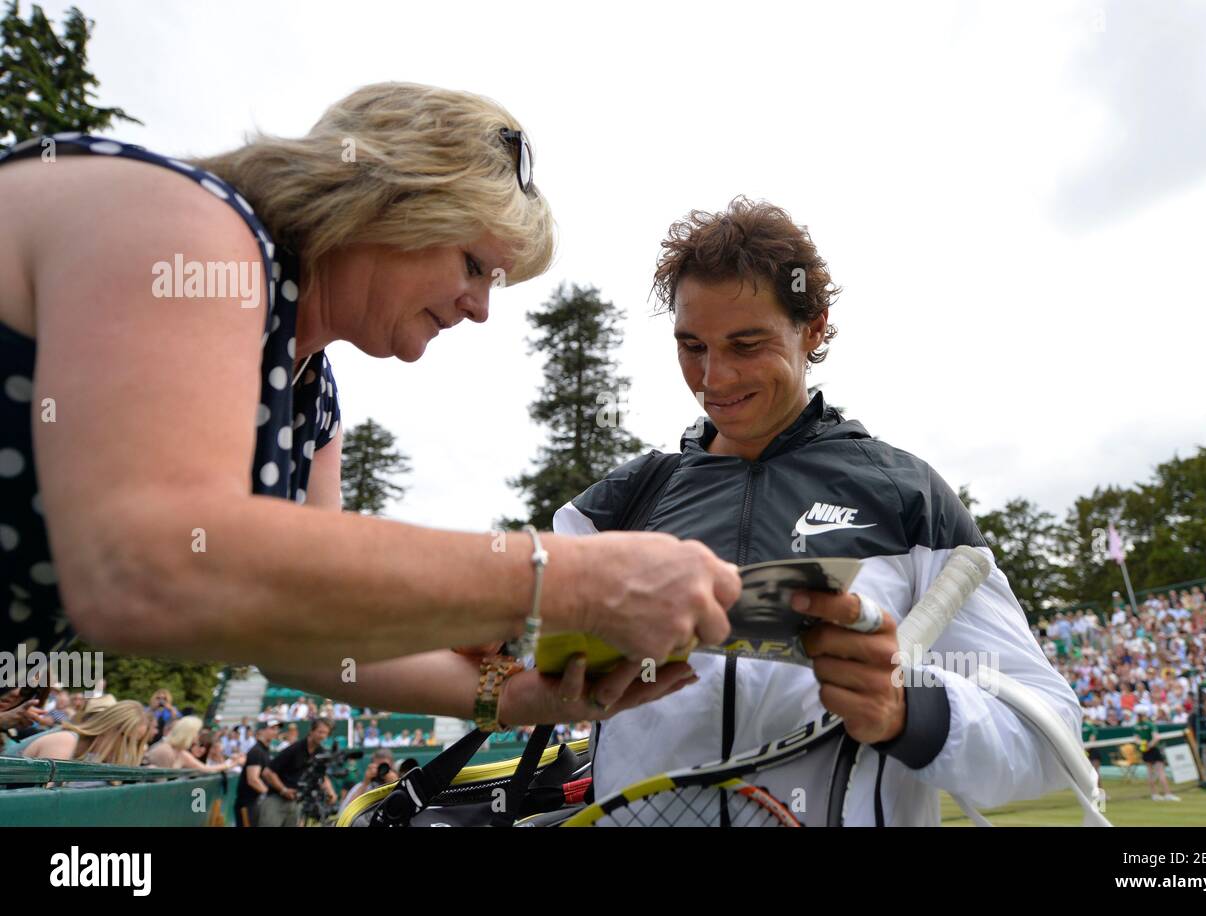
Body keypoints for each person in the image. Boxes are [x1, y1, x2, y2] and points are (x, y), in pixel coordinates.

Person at [0, 82, 740, 726]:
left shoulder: (313, 400)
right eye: (475, 264)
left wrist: (507, 698)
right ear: (387, 196)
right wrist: (567, 580)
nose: (481, 308)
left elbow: (293, 632)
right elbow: (148, 563)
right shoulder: (186, 222)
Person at [551, 198, 1082, 825]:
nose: (713, 378)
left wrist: (911, 712)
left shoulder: (909, 497)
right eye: (691, 345)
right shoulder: (615, 506)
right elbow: (531, 681)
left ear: (815, 327)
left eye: (747, 344)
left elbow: (1049, 736)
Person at [22, 699, 152, 767]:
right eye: (128, 740)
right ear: (108, 727)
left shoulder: (87, 754)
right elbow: (42, 804)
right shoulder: (65, 741)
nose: (129, 751)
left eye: (136, 743)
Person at [260, 718, 335, 827]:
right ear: (311, 731)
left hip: (297, 802)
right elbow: (267, 772)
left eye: (326, 733)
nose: (323, 736)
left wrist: (330, 791)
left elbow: (322, 775)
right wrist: (283, 790)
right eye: (320, 732)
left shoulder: (321, 752)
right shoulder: (294, 749)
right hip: (276, 799)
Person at [143, 715, 235, 772]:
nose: (198, 736)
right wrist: (231, 764)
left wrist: (230, 763)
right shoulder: (165, 750)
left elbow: (205, 769)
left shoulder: (180, 752)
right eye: (197, 732)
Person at [233, 720, 279, 827]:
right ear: (261, 732)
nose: (276, 731)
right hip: (248, 805)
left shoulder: (264, 751)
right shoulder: (257, 751)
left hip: (256, 805)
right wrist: (270, 797)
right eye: (272, 728)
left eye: (277, 729)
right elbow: (253, 780)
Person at [1134, 711, 1179, 801]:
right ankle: (1167, 794)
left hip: (1145, 751)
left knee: (1150, 772)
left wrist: (1144, 745)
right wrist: (1150, 745)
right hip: (1153, 750)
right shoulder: (1150, 725)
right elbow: (1156, 738)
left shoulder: (1136, 726)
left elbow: (1136, 740)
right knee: (1161, 772)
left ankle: (1154, 794)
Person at [339, 747, 398, 812]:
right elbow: (345, 812)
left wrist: (396, 785)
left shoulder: (400, 784)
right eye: (378, 767)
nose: (381, 770)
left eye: (384, 766)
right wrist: (365, 783)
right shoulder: (363, 786)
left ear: (392, 766)